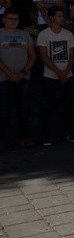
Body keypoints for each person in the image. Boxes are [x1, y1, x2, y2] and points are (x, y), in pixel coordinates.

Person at [37, 6, 74, 145]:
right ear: (52, 17)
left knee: (68, 105)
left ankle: (70, 133)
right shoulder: (43, 35)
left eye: (63, 16)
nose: (62, 18)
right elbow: (43, 56)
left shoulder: (68, 34)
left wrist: (66, 72)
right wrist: (58, 72)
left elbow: (72, 55)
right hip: (50, 76)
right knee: (48, 106)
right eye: (59, 16)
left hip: (68, 75)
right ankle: (47, 136)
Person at [0, 9, 36, 150]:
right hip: (3, 78)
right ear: (4, 19)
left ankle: (25, 137)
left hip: (23, 77)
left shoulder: (24, 34)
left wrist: (23, 72)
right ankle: (2, 139)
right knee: (4, 110)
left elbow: (32, 56)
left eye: (16, 19)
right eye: (10, 18)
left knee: (24, 108)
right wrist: (9, 73)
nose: (13, 21)